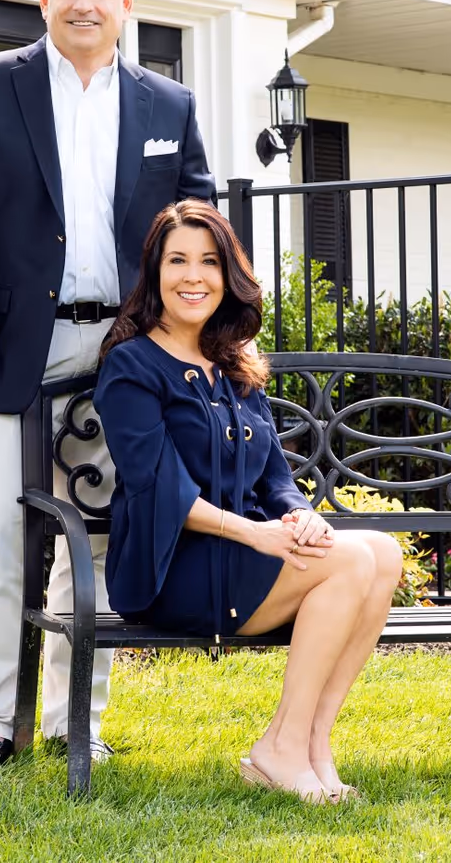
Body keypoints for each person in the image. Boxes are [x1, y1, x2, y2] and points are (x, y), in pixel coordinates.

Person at [0, 0, 215, 769]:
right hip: (10, 349)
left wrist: (188, 337)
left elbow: (202, 230)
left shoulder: (169, 106)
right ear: (41, 1)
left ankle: (73, 718)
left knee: (102, 536)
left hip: (125, 351)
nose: (85, 4)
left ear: (127, 3)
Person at [93, 201, 403, 804]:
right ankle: (280, 749)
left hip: (244, 555)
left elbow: (272, 473)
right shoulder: (131, 366)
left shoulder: (233, 364)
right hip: (173, 567)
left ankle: (311, 744)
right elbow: (161, 487)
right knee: (352, 561)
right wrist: (254, 534)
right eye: (177, 260)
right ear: (155, 273)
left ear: (226, 276)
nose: (193, 276)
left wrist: (297, 513)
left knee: (383, 554)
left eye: (209, 262)